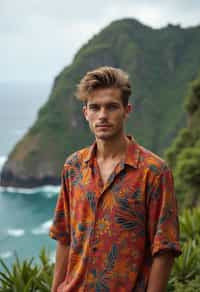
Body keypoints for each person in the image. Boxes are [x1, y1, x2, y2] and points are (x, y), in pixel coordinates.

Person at [49, 66, 181, 292]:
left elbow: (164, 249)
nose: (102, 115)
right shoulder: (73, 167)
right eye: (95, 107)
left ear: (126, 110)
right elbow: (64, 236)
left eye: (111, 107)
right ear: (85, 113)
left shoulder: (154, 172)